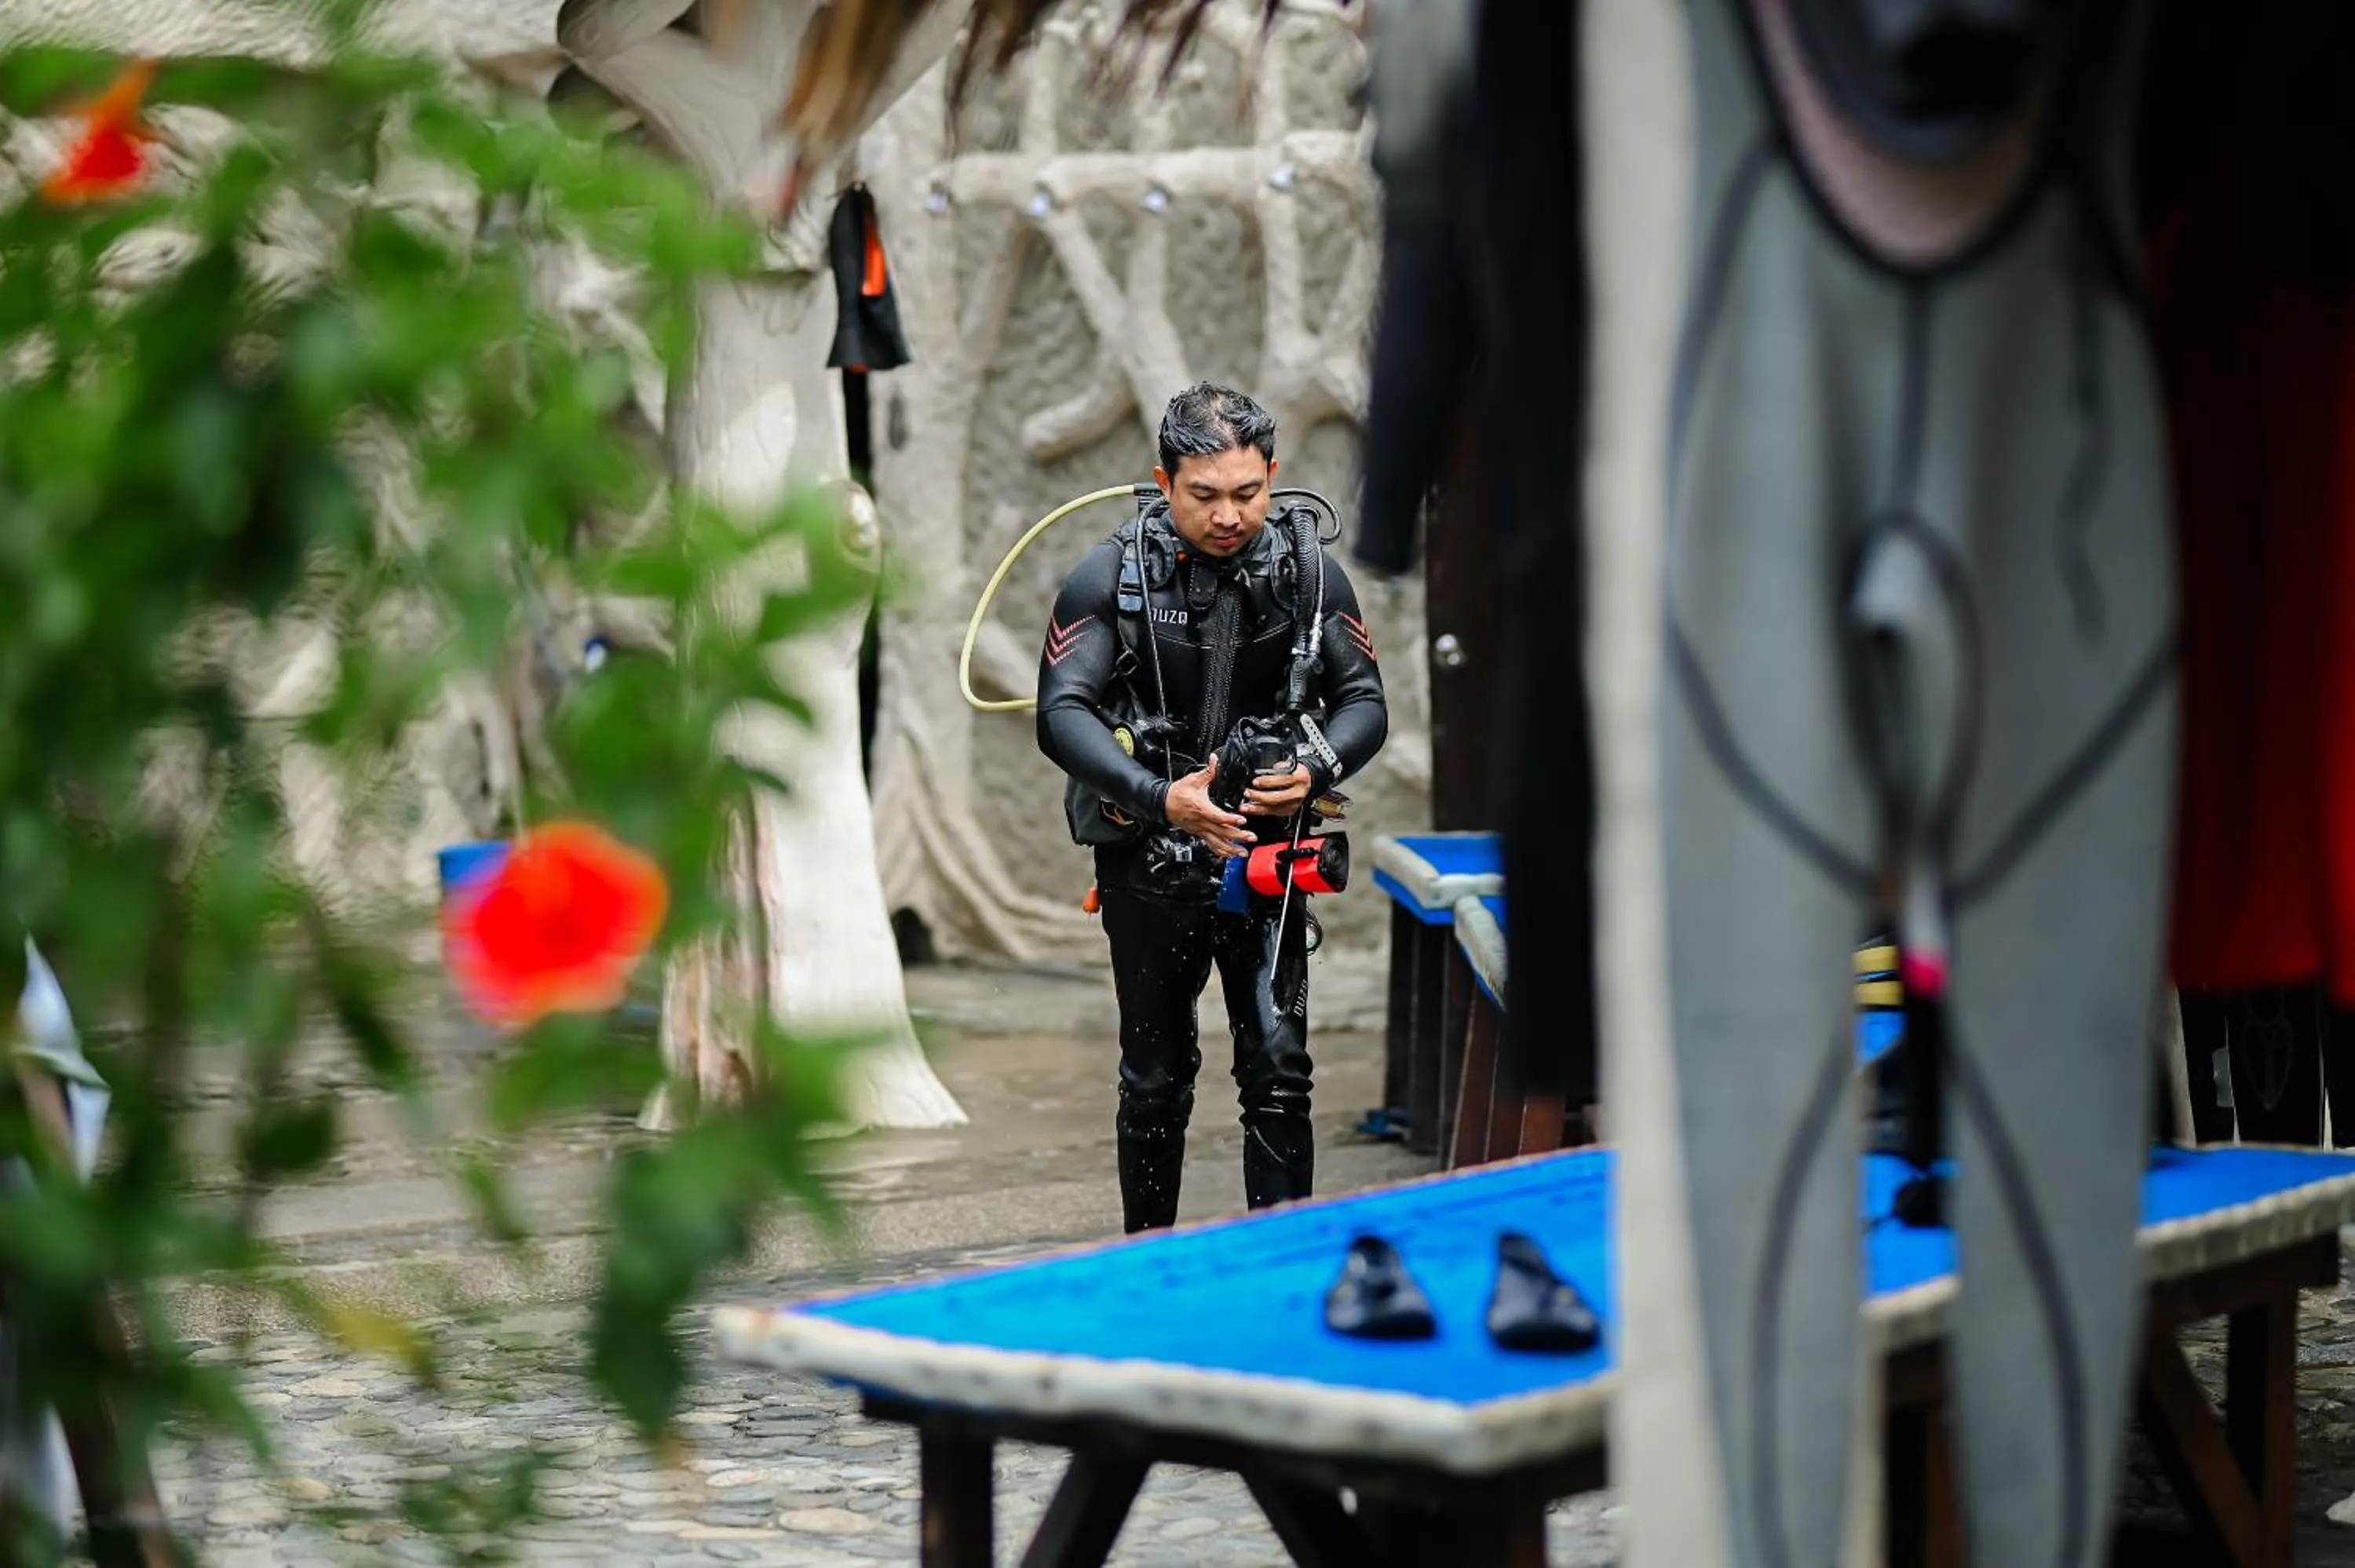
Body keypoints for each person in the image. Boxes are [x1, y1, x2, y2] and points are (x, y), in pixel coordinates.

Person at [1036, 383, 1389, 1233]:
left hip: (1267, 858)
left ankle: (1283, 1265)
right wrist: (1162, 799)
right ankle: (1146, 1260)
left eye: (1248, 492)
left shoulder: (1309, 572)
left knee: (1280, 1068)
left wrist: (1313, 766)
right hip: (1147, 855)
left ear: (1273, 474)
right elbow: (1060, 711)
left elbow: (1366, 701)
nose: (1229, 515)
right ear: (1164, 480)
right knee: (1153, 1077)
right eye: (1204, 496)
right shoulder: (1109, 577)